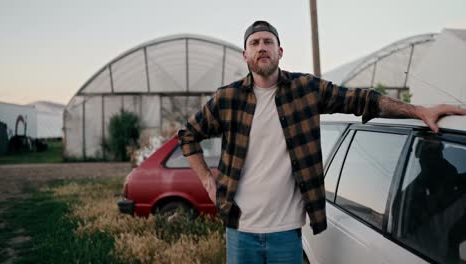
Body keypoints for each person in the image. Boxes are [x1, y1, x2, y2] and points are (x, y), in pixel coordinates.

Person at [177, 20, 466, 263]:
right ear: (245, 55)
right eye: (254, 43)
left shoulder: (305, 90)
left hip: (287, 232)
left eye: (267, 42)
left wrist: (418, 111)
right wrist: (208, 182)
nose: (261, 47)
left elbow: (361, 100)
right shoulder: (227, 99)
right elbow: (188, 135)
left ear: (279, 52)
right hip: (240, 230)